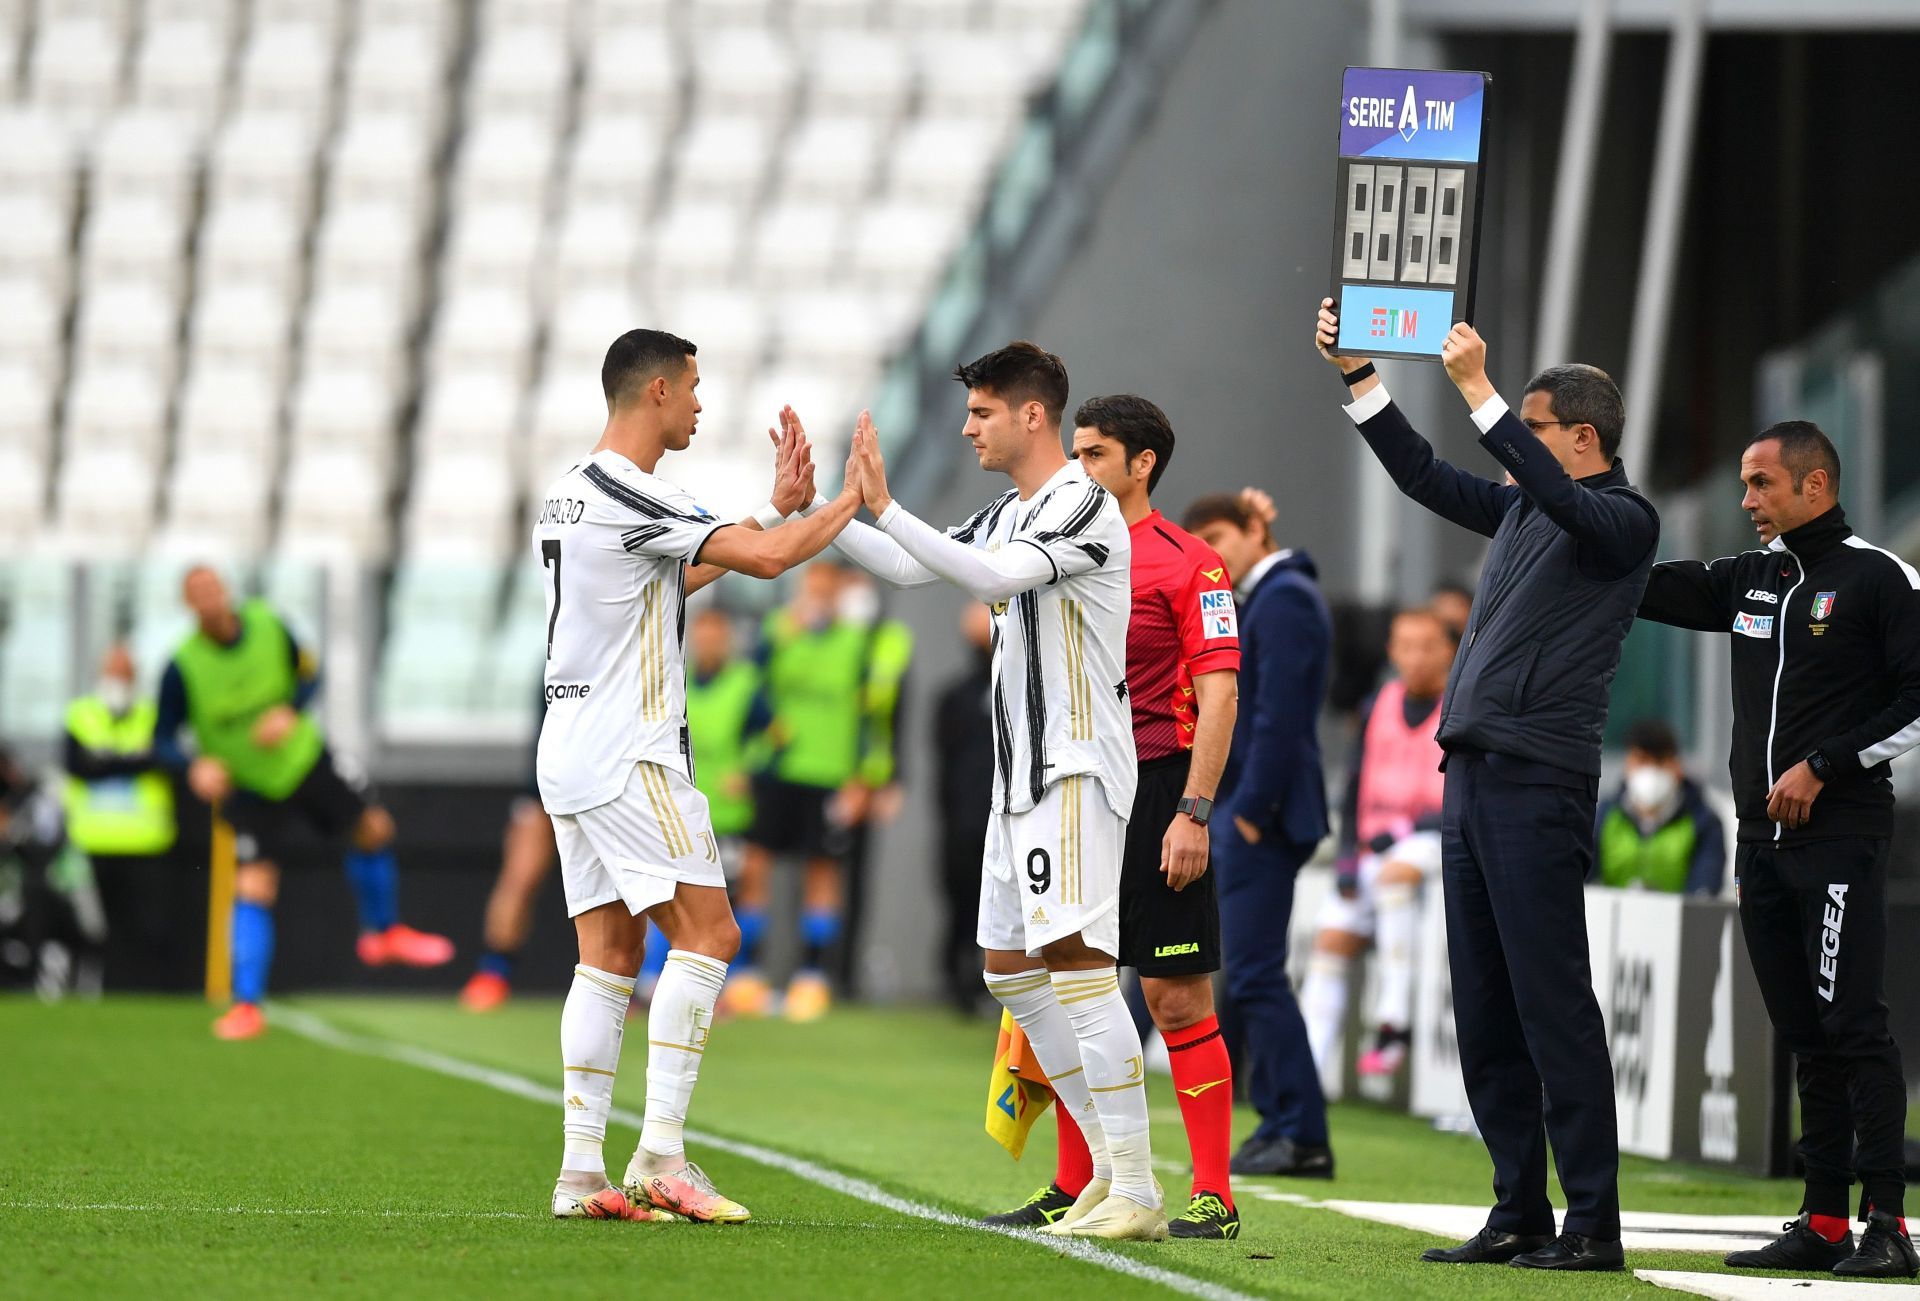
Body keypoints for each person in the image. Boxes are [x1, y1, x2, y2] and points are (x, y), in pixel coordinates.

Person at [1316, 299, 1659, 1271]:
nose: (1518, 450)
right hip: (1470, 776)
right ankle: (1518, 1208)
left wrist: (1479, 389)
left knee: (1552, 1003)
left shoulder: (1621, 522)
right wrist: (1360, 378)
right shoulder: (1523, 505)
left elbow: (1563, 498)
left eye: (1537, 430)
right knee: (1487, 1006)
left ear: (1580, 438)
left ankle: (1593, 1221)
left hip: (1538, 779)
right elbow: (1422, 472)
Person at [795, 341, 1163, 1241]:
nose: (967, 428)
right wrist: (817, 508)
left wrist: (886, 504)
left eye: (981, 412)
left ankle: (1139, 1187)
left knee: (1079, 964)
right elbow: (914, 565)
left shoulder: (1083, 500)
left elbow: (992, 578)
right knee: (1009, 968)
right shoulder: (1008, 508)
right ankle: (1108, 1168)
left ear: (1032, 415)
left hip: (1074, 767)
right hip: (1020, 778)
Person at [534, 327, 862, 1224]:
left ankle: (578, 1175)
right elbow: (759, 563)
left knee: (607, 956)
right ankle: (662, 1153)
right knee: (712, 932)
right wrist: (849, 507)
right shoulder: (631, 491)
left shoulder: (571, 494)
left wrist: (772, 510)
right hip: (627, 749)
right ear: (655, 394)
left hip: (569, 748)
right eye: (692, 387)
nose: (700, 403)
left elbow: (672, 580)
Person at [1637, 420, 1920, 1279]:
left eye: (1761, 484)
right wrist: (1550, 510)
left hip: (1839, 835)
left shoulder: (1880, 578)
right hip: (1758, 842)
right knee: (1803, 1031)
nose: (1747, 501)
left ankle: (1888, 1226)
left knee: (1853, 1025)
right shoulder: (1749, 579)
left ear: (1817, 485)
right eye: (1744, 485)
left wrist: (1825, 766)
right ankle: (1824, 1217)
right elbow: (1641, 582)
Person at [982, 391, 1240, 1239]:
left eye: (1096, 454)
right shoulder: (1044, 536)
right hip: (1069, 785)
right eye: (1077, 450)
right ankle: (1077, 1178)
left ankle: (1212, 1193)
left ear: (1143, 465)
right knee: (1067, 978)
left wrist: (1194, 811)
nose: (1079, 466)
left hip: (1159, 784)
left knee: (1172, 995)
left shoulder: (1191, 563)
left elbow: (1219, 688)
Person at [156, 567, 455, 1040]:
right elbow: (162, 738)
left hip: (302, 759)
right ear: (188, 605)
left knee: (374, 828)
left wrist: (288, 710)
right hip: (247, 784)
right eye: (197, 594)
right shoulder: (182, 665)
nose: (209, 599)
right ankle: (247, 1005)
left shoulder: (268, 624)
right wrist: (193, 766)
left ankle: (382, 931)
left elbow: (311, 674)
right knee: (254, 884)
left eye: (213, 587)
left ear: (226, 590)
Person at [1183, 494, 1334, 1179]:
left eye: (1219, 535)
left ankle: (1298, 1129)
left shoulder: (1285, 599)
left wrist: (1245, 811)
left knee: (1253, 973)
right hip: (1256, 810)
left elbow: (1279, 718)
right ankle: (1281, 1121)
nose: (1212, 552)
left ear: (1255, 530)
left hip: (1262, 816)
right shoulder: (1265, 597)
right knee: (1249, 975)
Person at [1300, 606, 1454, 1084]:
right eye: (1405, 646)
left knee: (1396, 877)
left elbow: (1468, 796)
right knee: (1330, 942)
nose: (1416, 657)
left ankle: (1393, 1021)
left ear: (1449, 650)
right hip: (1371, 848)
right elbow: (1352, 785)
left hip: (1433, 843)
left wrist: (1407, 833)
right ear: (1391, 650)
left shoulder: (1462, 706)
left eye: (1427, 646)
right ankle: (1305, 1075)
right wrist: (1345, 857)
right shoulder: (1378, 706)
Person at [726, 560, 868, 1021]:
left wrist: (863, 777)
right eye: (813, 587)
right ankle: (748, 974)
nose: (819, 597)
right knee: (756, 865)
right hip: (777, 768)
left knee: (822, 873)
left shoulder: (856, 642)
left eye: (827, 589)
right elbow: (749, 685)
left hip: (828, 772)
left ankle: (811, 976)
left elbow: (870, 713)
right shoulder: (777, 630)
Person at [63, 643, 186, 990]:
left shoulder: (152, 715)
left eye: (124, 672)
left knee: (152, 929)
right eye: (112, 671)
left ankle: (153, 994)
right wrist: (133, 761)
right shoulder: (81, 714)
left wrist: (104, 761)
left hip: (147, 843)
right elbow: (77, 766)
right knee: (99, 930)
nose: (117, 679)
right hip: (93, 841)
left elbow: (162, 760)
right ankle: (102, 992)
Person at [460, 694, 560, 1012]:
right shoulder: (557, 656)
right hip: (544, 791)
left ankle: (637, 981)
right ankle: (493, 972)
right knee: (519, 878)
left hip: (609, 789)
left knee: (628, 881)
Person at [932, 603, 995, 1012]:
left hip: (1009, 816)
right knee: (962, 901)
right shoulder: (955, 695)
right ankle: (957, 980)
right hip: (965, 818)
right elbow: (944, 761)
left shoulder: (1029, 689)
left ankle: (997, 987)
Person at [1591, 718, 1725, 896]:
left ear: (1677, 766)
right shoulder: (1605, 815)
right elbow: (1584, 878)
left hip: (1680, 921)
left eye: (1660, 761)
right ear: (1628, 763)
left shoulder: (1703, 821)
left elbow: (1705, 890)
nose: (1651, 770)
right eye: (1642, 760)